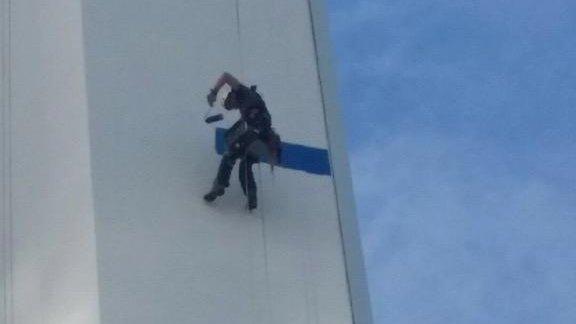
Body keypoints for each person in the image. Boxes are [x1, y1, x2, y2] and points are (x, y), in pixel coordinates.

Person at [203, 72, 279, 210]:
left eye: (230, 104)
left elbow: (226, 76)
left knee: (229, 156)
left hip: (255, 134)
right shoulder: (249, 105)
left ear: (232, 95)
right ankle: (251, 196)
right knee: (245, 165)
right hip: (264, 140)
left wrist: (214, 92)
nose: (233, 107)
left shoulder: (242, 91)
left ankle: (218, 187)